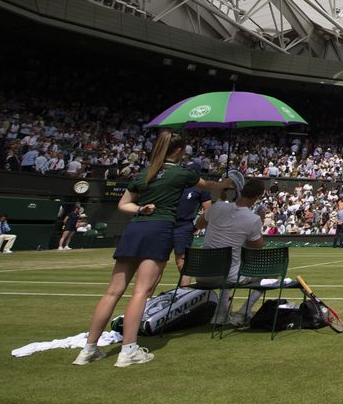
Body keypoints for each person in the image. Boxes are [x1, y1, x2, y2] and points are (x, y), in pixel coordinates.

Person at [72, 130, 229, 368]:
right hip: (160, 229)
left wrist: (141, 209)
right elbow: (207, 184)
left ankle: (88, 349)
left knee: (112, 292)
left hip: (134, 229)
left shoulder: (146, 172)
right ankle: (128, 350)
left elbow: (124, 204)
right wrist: (225, 183)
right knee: (141, 292)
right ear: (178, 151)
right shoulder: (181, 172)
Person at [196, 175, 265, 326]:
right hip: (228, 276)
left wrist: (219, 207)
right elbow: (257, 245)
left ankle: (222, 314)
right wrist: (260, 222)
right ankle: (243, 313)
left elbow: (199, 224)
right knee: (267, 275)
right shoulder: (253, 219)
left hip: (201, 274)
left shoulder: (217, 207)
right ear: (258, 197)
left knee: (227, 268)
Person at [173, 180, 213, 285]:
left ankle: (184, 293)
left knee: (181, 262)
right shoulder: (172, 184)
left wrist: (197, 226)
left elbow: (208, 211)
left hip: (184, 226)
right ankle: (148, 297)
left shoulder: (200, 188)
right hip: (165, 223)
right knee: (158, 261)